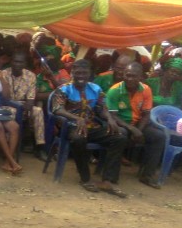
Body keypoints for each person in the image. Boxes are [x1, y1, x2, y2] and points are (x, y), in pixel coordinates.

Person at [52, 58, 128, 196]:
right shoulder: (63, 89)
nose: (81, 76)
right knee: (79, 139)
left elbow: (101, 108)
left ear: (90, 74)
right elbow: (58, 109)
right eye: (78, 73)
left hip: (91, 126)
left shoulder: (95, 89)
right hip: (70, 126)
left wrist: (110, 118)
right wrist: (76, 118)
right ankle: (85, 178)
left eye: (84, 73)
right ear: (72, 72)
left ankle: (108, 180)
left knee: (120, 135)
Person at [106, 62, 165, 188]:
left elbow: (146, 114)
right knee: (120, 135)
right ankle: (111, 178)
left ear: (141, 77)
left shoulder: (146, 90)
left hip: (138, 124)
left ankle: (147, 176)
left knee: (159, 136)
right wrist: (133, 129)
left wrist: (139, 130)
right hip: (120, 123)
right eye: (127, 75)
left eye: (134, 76)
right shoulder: (114, 90)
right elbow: (113, 116)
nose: (130, 79)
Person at [0, 51, 39, 157]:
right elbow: (3, 97)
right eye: (15, 61)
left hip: (23, 104)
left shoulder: (31, 76)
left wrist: (28, 105)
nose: (17, 64)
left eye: (20, 62)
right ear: (11, 62)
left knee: (38, 111)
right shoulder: (4, 74)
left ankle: (39, 146)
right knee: (11, 112)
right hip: (7, 104)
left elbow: (31, 98)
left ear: (25, 63)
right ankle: (8, 147)